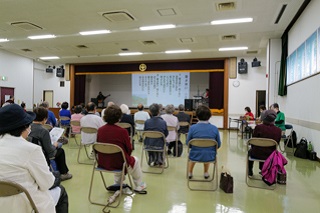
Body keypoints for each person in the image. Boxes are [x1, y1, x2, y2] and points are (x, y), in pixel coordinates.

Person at [0, 104, 68, 213]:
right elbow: (47, 183)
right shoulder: (32, 150)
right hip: (26, 205)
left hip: (3, 205)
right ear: (24, 127)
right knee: (60, 189)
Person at [97, 105, 147, 191]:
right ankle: (139, 184)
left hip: (103, 162)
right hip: (119, 163)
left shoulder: (100, 130)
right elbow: (129, 149)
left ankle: (118, 183)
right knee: (133, 160)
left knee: (118, 157)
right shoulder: (122, 131)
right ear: (119, 117)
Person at [28, 107, 72, 181]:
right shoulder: (43, 131)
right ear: (45, 119)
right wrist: (56, 145)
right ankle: (63, 173)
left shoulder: (28, 128)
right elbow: (50, 150)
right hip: (43, 154)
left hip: (31, 152)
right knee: (60, 151)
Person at [186, 105, 221, 179]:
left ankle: (190, 173)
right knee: (207, 151)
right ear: (210, 116)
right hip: (210, 155)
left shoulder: (192, 128)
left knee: (194, 152)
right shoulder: (214, 129)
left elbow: (188, 143)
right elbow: (219, 144)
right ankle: (206, 173)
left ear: (197, 116)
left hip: (194, 155)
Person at [248, 110, 282, 177]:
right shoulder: (278, 130)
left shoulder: (258, 127)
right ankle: (264, 170)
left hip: (256, 154)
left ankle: (250, 171)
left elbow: (253, 141)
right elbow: (277, 143)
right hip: (271, 156)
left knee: (252, 151)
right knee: (265, 150)